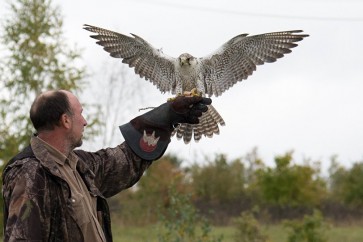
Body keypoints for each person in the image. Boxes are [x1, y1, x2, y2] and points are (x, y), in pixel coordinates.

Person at [2, 90, 211, 242]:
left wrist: (168, 116)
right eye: (80, 113)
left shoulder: (78, 166)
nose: (85, 121)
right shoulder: (30, 174)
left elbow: (124, 161)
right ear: (66, 121)